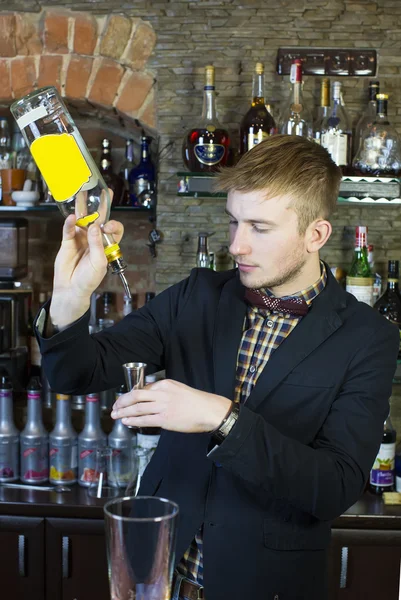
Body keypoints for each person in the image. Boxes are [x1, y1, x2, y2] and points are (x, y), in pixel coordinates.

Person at [35, 135, 399, 600]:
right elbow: (74, 373)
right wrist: (72, 296)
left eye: (260, 228)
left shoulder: (367, 337)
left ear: (316, 235)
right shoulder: (197, 295)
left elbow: (333, 487)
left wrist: (220, 418)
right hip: (157, 576)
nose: (237, 245)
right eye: (233, 222)